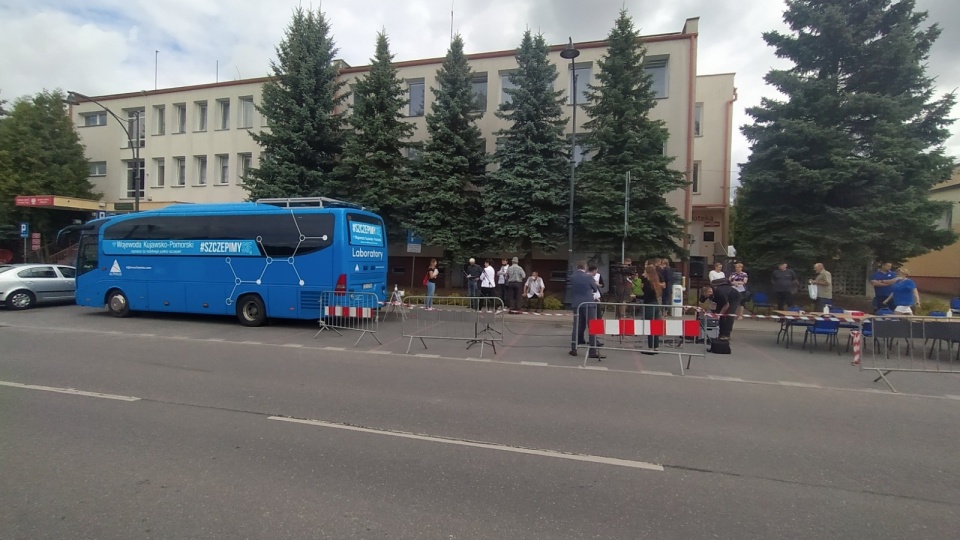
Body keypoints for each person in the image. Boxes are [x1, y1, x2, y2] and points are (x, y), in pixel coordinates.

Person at [569, 260, 603, 359]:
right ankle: (592, 350)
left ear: (577, 267)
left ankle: (574, 348)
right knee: (592, 326)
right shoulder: (589, 277)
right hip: (588, 303)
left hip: (576, 303)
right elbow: (595, 289)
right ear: (585, 267)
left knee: (576, 326)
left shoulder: (572, 277)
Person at [639, 264, 665, 354]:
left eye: (645, 272)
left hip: (649, 305)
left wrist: (636, 296)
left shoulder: (647, 283)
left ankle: (650, 348)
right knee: (655, 326)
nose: (643, 273)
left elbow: (645, 295)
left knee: (650, 326)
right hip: (656, 304)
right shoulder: (656, 283)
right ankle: (656, 346)